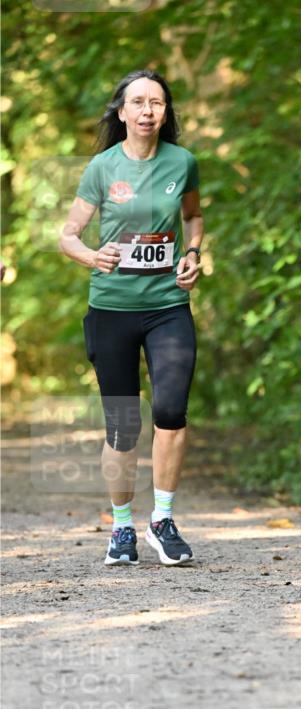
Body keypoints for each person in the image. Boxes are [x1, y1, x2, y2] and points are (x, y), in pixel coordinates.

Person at [60, 69, 204, 566]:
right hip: (112, 310)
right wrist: (91, 257)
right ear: (121, 112)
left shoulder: (182, 162)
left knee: (171, 413)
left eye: (157, 103)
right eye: (138, 102)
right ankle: (121, 528)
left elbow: (192, 217)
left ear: (166, 112)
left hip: (168, 309)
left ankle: (162, 521)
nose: (148, 111)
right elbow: (69, 235)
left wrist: (193, 254)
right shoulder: (102, 168)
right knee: (123, 426)